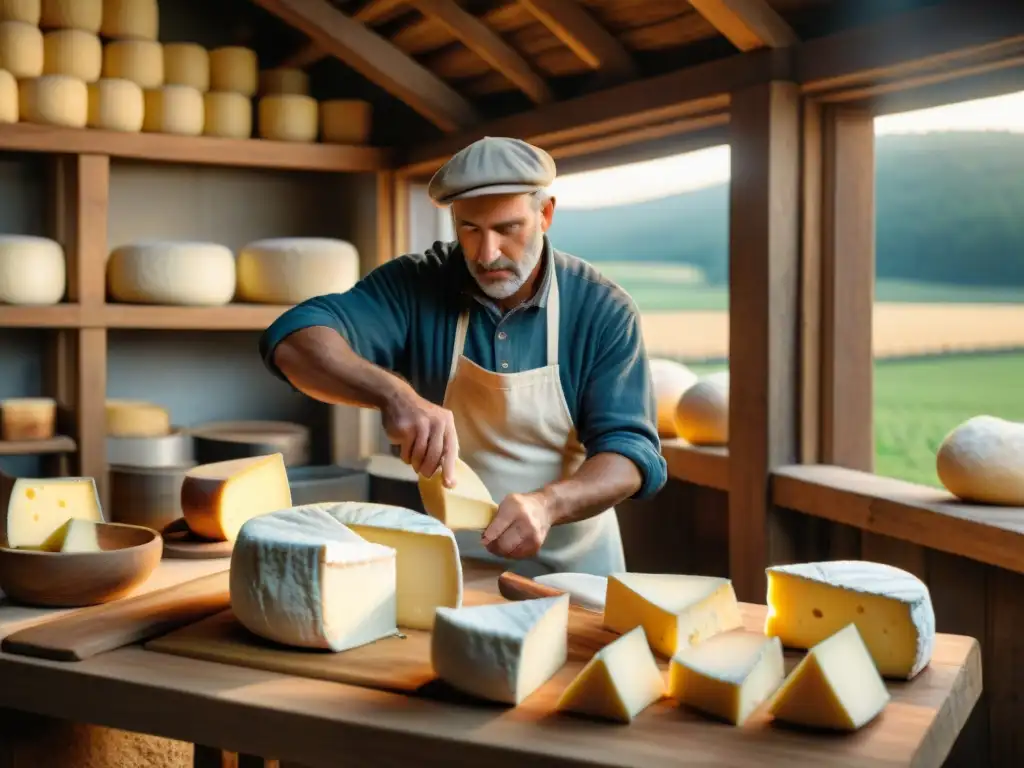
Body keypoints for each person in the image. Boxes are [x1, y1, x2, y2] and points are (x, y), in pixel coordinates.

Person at [258, 136, 667, 577]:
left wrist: (548, 505)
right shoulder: (417, 286)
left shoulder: (602, 310)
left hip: (574, 572)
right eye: (470, 229)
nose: (487, 254)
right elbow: (292, 340)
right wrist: (394, 395)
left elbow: (629, 453)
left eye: (508, 228)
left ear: (545, 214)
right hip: (449, 567)